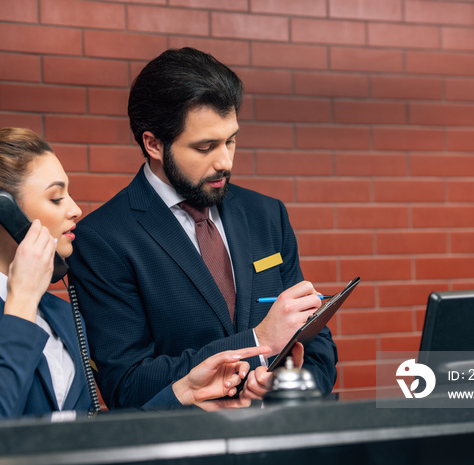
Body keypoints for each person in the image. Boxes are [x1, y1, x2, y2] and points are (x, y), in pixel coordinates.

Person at [0, 128, 269, 419]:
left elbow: (86, 433)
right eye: (56, 198)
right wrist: (21, 301)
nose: (75, 210)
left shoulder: (58, 314)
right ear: (1, 210)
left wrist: (181, 393)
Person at [66, 47, 338, 410]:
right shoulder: (103, 240)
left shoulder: (266, 214)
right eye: (206, 146)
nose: (225, 161)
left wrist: (285, 385)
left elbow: (317, 346)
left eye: (231, 140)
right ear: (154, 144)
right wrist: (258, 342)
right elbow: (127, 386)